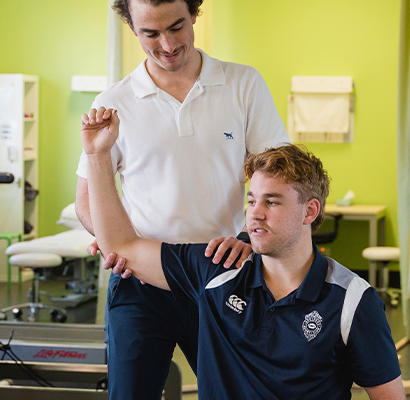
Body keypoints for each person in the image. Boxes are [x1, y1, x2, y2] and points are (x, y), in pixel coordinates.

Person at [80, 110, 404, 398]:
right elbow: (122, 246)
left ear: (310, 211)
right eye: (251, 201)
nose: (255, 214)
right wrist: (97, 155)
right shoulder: (218, 270)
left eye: (271, 202)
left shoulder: (352, 302)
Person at [75, 0, 289, 397]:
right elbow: (86, 200)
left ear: (194, 13)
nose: (168, 45)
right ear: (132, 28)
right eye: (151, 34)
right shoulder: (114, 101)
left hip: (221, 272)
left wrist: (249, 238)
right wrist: (110, 240)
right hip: (140, 277)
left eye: (176, 27)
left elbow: (279, 177)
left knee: (236, 392)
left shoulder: (243, 83)